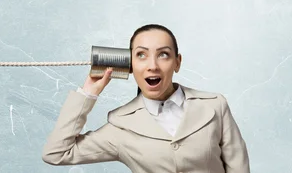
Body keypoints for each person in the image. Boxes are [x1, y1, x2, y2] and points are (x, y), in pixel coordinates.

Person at [41, 24, 250, 172]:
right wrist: (88, 93)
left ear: (177, 63)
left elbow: (239, 168)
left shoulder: (215, 106)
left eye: (164, 54)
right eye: (141, 55)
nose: (152, 65)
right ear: (129, 65)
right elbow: (56, 153)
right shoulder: (120, 126)